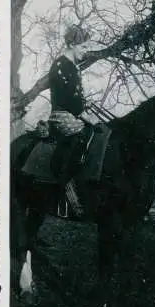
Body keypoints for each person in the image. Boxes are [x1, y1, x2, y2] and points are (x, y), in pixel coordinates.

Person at [48, 24, 93, 216]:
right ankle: (63, 190)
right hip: (61, 115)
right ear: (72, 44)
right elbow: (65, 98)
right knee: (81, 136)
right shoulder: (60, 65)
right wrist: (82, 113)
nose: (85, 51)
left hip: (73, 113)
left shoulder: (73, 67)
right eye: (83, 47)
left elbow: (77, 96)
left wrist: (86, 107)